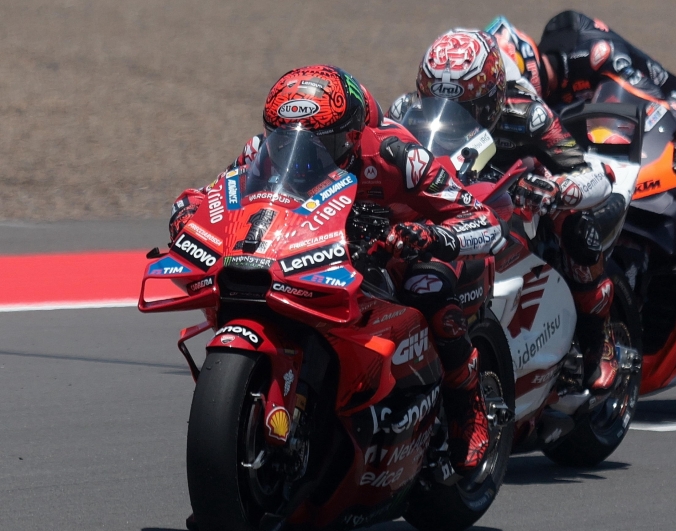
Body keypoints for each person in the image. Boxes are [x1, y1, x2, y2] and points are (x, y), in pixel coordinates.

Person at [169, 65, 504, 478]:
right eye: (285, 139)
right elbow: (220, 194)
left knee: (428, 286)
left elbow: (483, 220)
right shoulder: (263, 150)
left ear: (350, 135)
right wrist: (189, 209)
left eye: (319, 144)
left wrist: (429, 234)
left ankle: (467, 407)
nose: (301, 155)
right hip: (313, 253)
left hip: (400, 254)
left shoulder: (397, 155)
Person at [488, 12, 676, 302]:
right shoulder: (535, 100)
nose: (511, 98)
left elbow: (657, 99)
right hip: (621, 137)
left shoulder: (594, 53)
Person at [389, 29, 624, 392]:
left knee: (577, 229)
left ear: (495, 97)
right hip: (449, 198)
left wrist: (558, 189)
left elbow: (591, 175)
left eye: (467, 110)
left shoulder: (528, 116)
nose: (449, 117)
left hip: (521, 201)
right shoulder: (405, 111)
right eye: (436, 104)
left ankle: (598, 341)